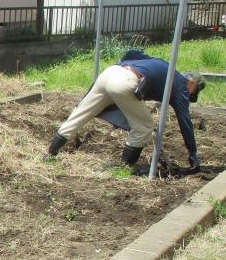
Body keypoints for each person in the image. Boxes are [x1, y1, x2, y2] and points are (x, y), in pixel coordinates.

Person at [45, 50, 206, 170]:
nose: (191, 95)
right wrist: (192, 152)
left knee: (79, 115)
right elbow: (184, 120)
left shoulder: (164, 65)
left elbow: (131, 53)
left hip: (110, 72)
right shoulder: (181, 86)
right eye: (195, 91)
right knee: (144, 126)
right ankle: (124, 168)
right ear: (192, 83)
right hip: (126, 81)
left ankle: (50, 154)